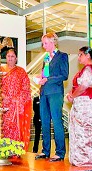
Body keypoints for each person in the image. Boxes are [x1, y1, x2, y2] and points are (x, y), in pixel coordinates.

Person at [67, 46, 92, 166]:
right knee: (81, 131)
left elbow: (83, 87)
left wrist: (72, 96)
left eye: (80, 55)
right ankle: (81, 158)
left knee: (85, 132)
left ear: (87, 55)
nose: (78, 58)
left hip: (86, 107)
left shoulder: (89, 69)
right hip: (82, 105)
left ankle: (85, 159)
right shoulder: (87, 69)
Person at [35, 32, 69, 162]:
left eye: (46, 43)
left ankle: (60, 152)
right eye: (43, 43)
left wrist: (47, 80)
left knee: (56, 121)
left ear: (53, 42)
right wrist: (41, 77)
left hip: (55, 92)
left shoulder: (62, 56)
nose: (44, 46)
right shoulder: (46, 59)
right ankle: (45, 151)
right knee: (44, 122)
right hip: (44, 92)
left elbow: (64, 75)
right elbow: (46, 75)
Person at [0, 49, 32, 151]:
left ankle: (16, 151)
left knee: (17, 128)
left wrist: (16, 100)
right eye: (8, 56)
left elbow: (26, 88)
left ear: (16, 58)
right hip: (4, 105)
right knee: (5, 127)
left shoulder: (21, 71)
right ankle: (6, 150)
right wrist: (3, 97)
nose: (10, 58)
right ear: (6, 57)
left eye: (12, 56)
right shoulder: (0, 70)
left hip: (17, 106)